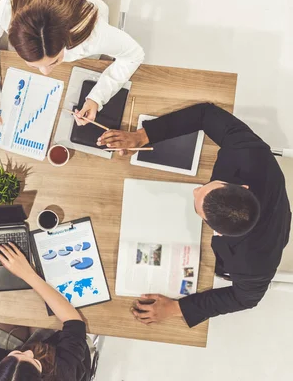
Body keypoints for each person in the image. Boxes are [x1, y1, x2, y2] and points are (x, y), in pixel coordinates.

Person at [97, 102, 292, 328]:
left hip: (272, 233)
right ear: (241, 188)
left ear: (217, 231)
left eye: (197, 206)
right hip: (272, 192)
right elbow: (205, 114)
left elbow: (247, 299)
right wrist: (142, 136)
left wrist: (176, 308)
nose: (195, 189)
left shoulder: (252, 264)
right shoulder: (250, 154)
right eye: (206, 188)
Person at [0, 0, 144, 128]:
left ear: (67, 40)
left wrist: (97, 97)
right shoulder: (6, 10)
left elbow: (134, 54)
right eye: (34, 65)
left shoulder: (94, 33)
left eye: (54, 62)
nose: (45, 72)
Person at [0, 245, 91, 380]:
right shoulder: (63, 375)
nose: (28, 352)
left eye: (15, 355)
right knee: (39, 306)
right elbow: (74, 324)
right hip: (55, 350)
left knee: (1, 302)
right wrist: (28, 274)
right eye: (34, 361)